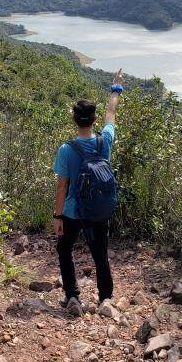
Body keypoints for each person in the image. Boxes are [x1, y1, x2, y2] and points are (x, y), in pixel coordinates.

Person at [52, 70, 124, 315]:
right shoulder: (105, 141)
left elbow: (62, 186)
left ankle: (72, 296)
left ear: (74, 119)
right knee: (100, 255)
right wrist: (115, 89)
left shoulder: (66, 150)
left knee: (64, 250)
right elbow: (111, 114)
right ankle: (105, 299)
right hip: (98, 210)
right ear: (94, 119)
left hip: (72, 211)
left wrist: (57, 216)